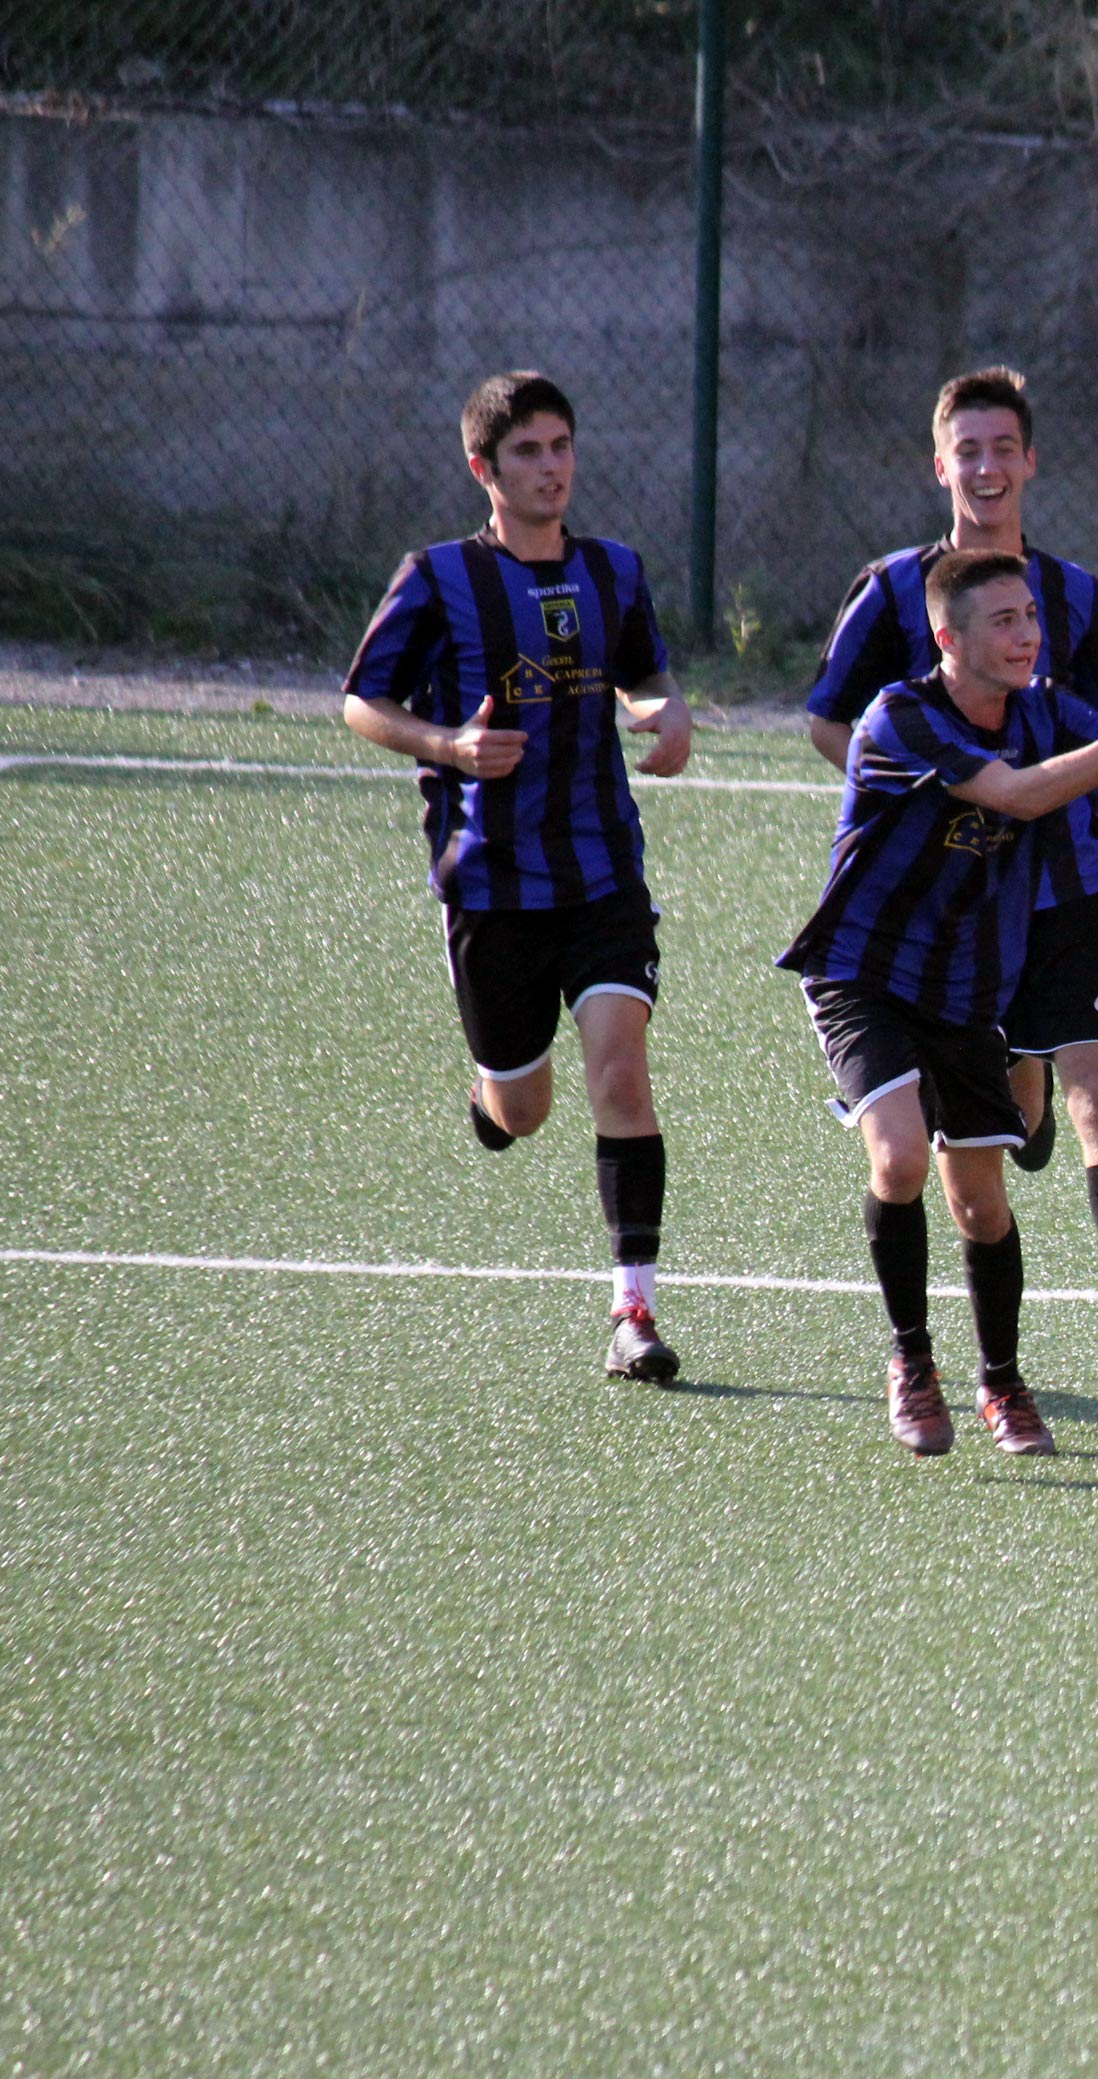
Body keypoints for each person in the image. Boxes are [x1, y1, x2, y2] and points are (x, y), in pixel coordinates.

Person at [802, 368, 1098, 1400]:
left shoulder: (1075, 595)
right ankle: (946, 1342)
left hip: (1066, 881)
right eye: (966, 449)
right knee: (987, 1137)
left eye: (1003, 447)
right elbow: (833, 720)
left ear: (1030, 460)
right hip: (948, 912)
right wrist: (918, 809)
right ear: (940, 465)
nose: (986, 466)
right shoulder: (893, 592)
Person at [342, 370, 694, 1385]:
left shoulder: (614, 570)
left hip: (602, 872)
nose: (550, 468)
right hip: (491, 883)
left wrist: (664, 714)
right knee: (524, 1111)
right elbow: (363, 701)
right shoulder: (438, 576)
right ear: (482, 469)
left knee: (620, 1071)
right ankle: (491, 1095)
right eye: (527, 452)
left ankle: (634, 1310)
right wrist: (447, 745)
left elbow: (644, 671)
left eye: (560, 447)